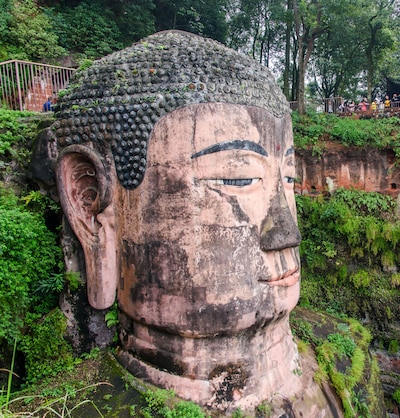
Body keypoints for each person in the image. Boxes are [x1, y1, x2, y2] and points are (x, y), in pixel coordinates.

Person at [53, 30, 335, 416]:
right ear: (91, 206)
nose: (287, 233)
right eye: (236, 178)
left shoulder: (338, 366)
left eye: (288, 179)